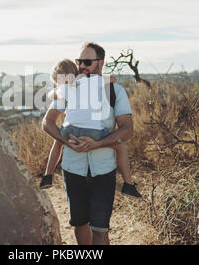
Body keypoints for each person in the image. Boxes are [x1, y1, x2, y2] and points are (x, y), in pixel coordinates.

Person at [42, 42, 136, 245]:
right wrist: (64, 140)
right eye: (79, 62)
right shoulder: (69, 88)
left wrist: (97, 143)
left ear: (100, 63)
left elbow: (127, 130)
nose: (81, 66)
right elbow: (48, 122)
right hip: (72, 169)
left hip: (103, 171)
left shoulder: (114, 91)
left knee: (101, 229)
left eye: (87, 62)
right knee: (79, 225)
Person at [39, 59, 141, 198]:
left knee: (58, 142)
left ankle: (47, 175)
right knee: (119, 144)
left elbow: (51, 95)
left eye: (57, 80)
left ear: (60, 78)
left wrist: (57, 89)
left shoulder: (62, 89)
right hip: (95, 133)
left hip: (70, 131)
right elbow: (113, 78)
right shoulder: (89, 82)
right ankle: (128, 184)